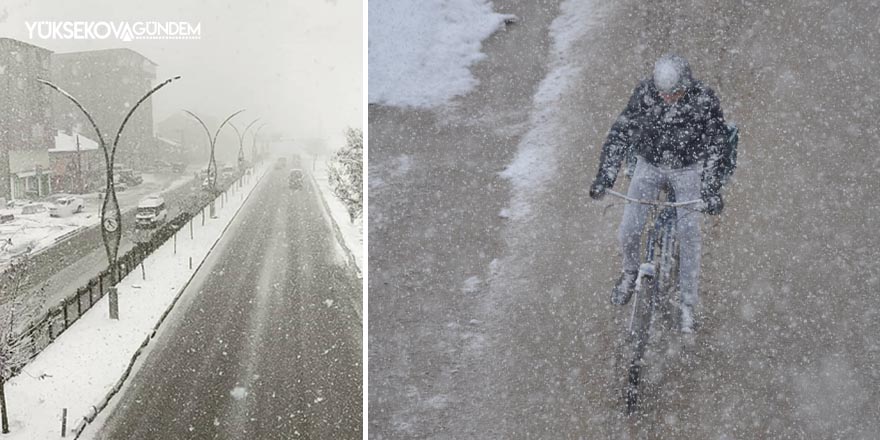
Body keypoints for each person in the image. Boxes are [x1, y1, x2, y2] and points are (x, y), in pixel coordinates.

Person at [588, 54, 727, 333]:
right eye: (664, 93)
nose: (668, 99)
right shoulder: (644, 95)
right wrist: (605, 175)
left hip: (687, 167)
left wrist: (711, 189)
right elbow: (620, 134)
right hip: (649, 164)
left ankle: (687, 303)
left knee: (689, 232)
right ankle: (629, 273)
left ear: (686, 86)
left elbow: (717, 146)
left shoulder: (704, 100)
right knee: (629, 227)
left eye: (675, 93)